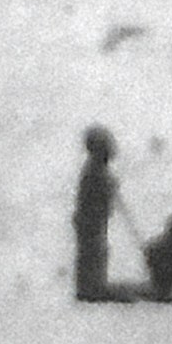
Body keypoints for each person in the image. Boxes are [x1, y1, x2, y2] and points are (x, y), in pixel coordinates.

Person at [72, 128, 122, 301]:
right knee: (93, 250)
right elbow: (92, 199)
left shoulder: (96, 171)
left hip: (94, 221)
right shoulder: (94, 172)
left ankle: (93, 285)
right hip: (91, 222)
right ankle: (91, 287)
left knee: (96, 249)